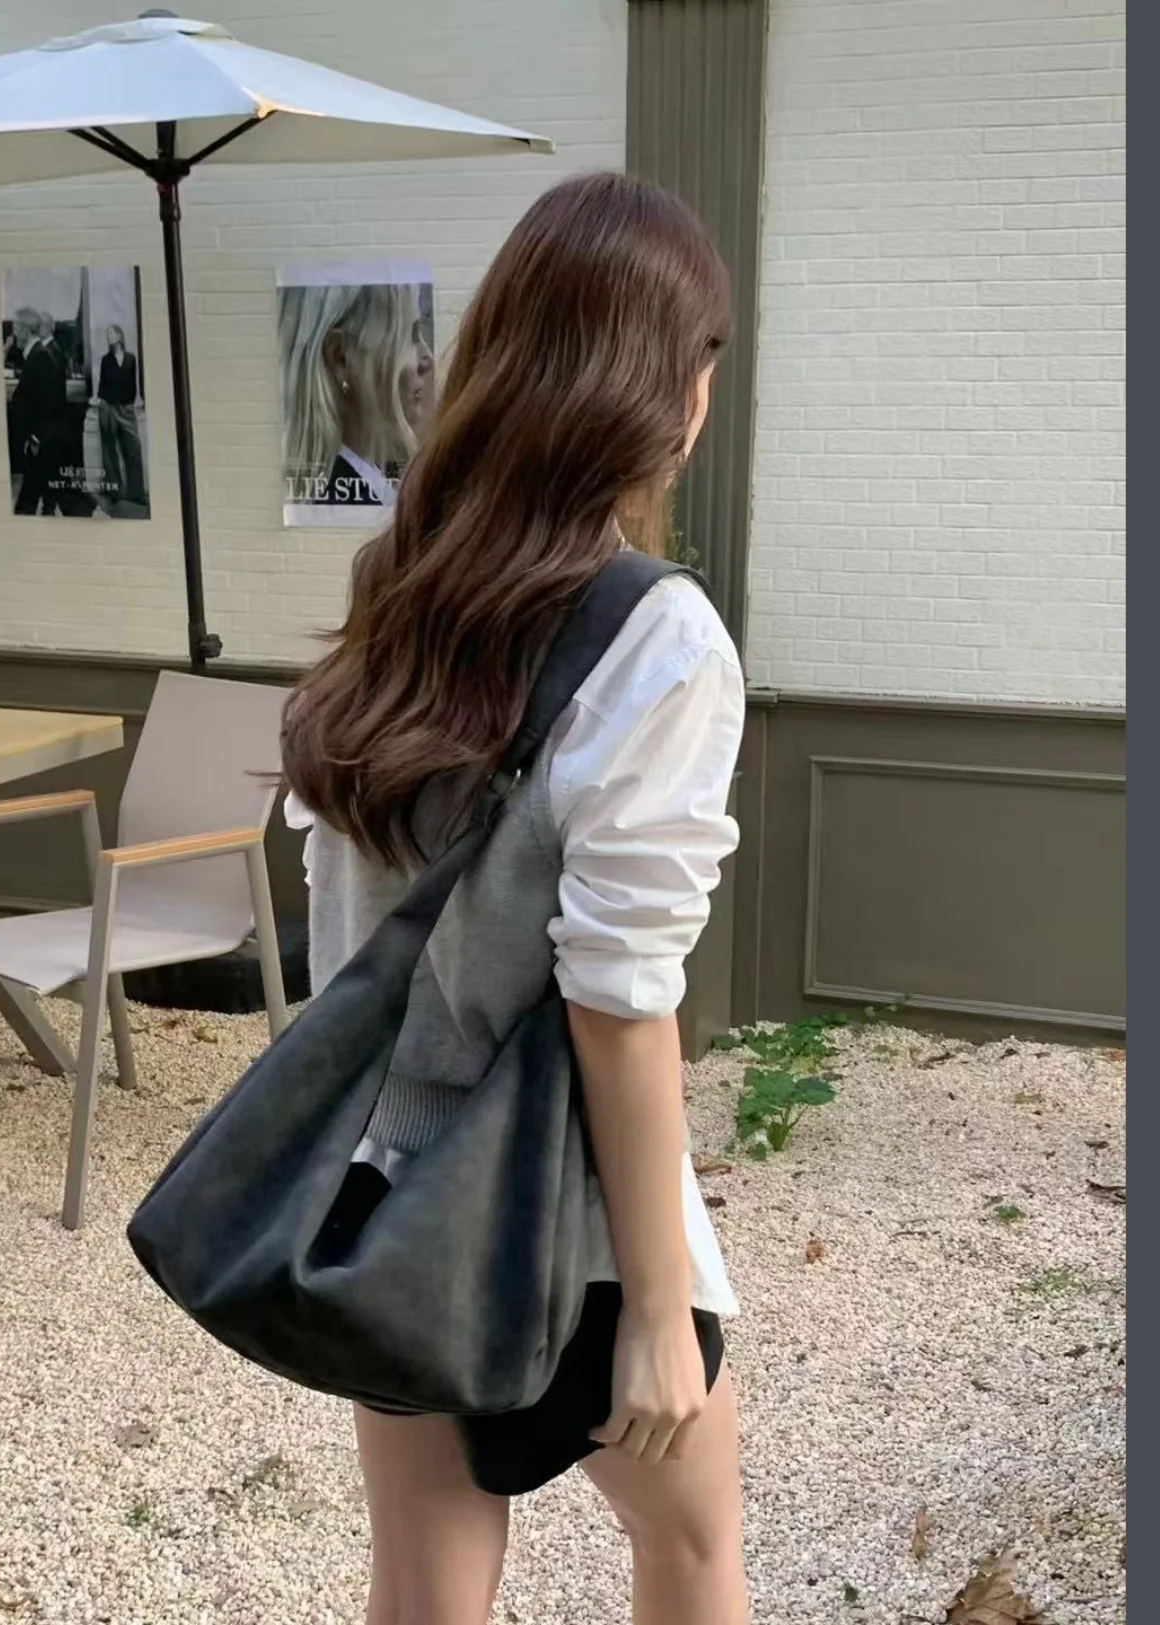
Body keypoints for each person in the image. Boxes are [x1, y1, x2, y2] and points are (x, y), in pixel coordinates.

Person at [279, 171, 748, 1625]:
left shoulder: (401, 594)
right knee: (690, 1549)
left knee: (424, 1582)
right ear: (667, 390)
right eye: (705, 360)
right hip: (567, 1213)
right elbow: (618, 998)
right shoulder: (656, 635)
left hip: (379, 1187)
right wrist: (659, 1307)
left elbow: (340, 909)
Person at [279, 279, 434, 508]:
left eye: (419, 332)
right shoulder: (342, 499)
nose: (427, 358)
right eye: (408, 337)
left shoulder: (379, 481)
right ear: (340, 357)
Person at [9, 307, 70, 516]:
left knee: (28, 501)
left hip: (39, 442)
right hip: (38, 442)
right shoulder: (36, 355)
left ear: (25, 330)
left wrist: (35, 437)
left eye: (16, 329)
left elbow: (48, 403)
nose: (14, 334)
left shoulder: (40, 357)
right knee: (36, 496)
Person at [95, 324, 147, 508]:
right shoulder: (105, 360)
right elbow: (102, 386)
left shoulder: (131, 359)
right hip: (108, 407)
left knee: (133, 449)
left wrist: (133, 403)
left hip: (126, 408)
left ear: (119, 335)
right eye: (107, 333)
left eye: (112, 333)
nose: (109, 336)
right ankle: (114, 492)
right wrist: (101, 404)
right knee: (109, 451)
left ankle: (136, 493)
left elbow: (134, 384)